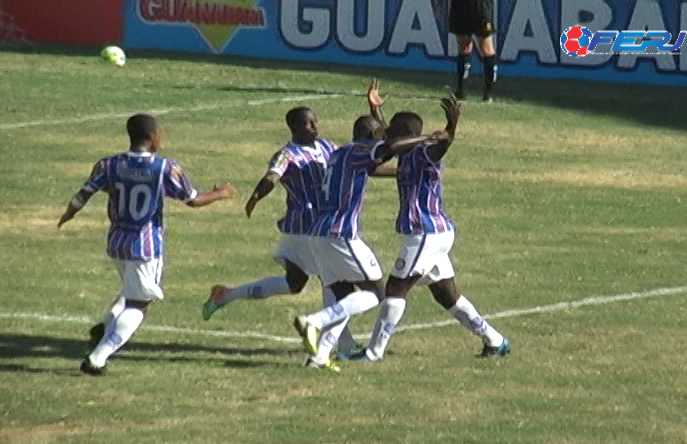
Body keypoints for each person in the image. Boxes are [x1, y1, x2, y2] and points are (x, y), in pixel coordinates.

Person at [57, 113, 236, 376]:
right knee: (140, 303)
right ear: (153, 137)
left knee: (131, 288)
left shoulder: (109, 164)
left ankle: (104, 326)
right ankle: (97, 358)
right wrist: (222, 193)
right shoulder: (165, 168)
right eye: (160, 133)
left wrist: (68, 214)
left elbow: (85, 192)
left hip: (117, 241)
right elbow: (193, 199)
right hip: (145, 245)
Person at [352, 95, 510, 362]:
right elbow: (388, 146)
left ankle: (374, 352)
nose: (386, 133)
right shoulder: (405, 153)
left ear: (405, 134)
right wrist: (375, 110)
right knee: (447, 296)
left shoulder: (425, 153)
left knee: (395, 289)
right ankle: (495, 341)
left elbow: (444, 143)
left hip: (424, 233)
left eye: (391, 130)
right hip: (434, 234)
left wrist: (452, 123)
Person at [199, 106, 362, 357]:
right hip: (305, 228)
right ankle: (343, 345)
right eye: (309, 124)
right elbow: (271, 177)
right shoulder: (287, 155)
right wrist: (255, 197)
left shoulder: (327, 146)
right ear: (295, 127)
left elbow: (353, 156)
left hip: (319, 226)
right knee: (334, 283)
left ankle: (226, 294)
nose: (315, 127)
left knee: (294, 283)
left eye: (316, 122)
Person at [293, 110, 445, 372]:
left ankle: (321, 355)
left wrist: (378, 115)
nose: (383, 138)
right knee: (377, 293)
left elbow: (384, 159)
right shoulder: (359, 151)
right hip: (340, 233)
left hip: (318, 234)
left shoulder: (340, 153)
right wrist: (426, 139)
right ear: (370, 136)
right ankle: (314, 321)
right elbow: (392, 146)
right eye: (379, 135)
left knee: (343, 299)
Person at [449, 0, 498, 102]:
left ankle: (489, 92)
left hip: (480, 5)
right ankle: (461, 91)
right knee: (463, 45)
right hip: (460, 5)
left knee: (486, 47)